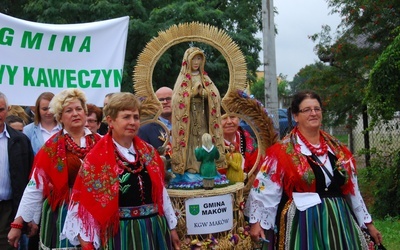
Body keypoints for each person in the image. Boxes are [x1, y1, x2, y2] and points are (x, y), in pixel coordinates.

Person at [245, 90, 383, 249]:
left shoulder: (338, 149)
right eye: (307, 110)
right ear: (296, 116)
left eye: (317, 109)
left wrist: (368, 223)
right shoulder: (282, 152)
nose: (313, 113)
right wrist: (258, 222)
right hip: (304, 221)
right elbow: (265, 189)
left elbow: (353, 190)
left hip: (339, 220)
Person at [61, 92, 180, 250]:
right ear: (110, 120)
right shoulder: (97, 158)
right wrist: (87, 243)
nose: (132, 122)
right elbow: (86, 204)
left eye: (136, 117)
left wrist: (171, 228)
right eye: (126, 117)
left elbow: (161, 193)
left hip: (153, 230)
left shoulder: (149, 152)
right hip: (120, 234)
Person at [7, 89, 101, 249]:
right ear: (60, 117)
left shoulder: (102, 143)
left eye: (79, 109)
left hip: (96, 212)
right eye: (69, 110)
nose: (75, 114)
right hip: (62, 216)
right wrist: (18, 223)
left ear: (85, 113)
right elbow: (35, 186)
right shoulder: (51, 148)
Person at [171, 47, 225, 175]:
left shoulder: (205, 78)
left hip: (202, 115)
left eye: (199, 58)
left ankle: (206, 163)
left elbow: (215, 95)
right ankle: (190, 164)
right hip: (188, 116)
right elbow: (176, 98)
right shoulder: (183, 79)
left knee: (204, 137)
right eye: (194, 58)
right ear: (187, 60)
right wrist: (191, 93)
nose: (196, 62)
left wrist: (204, 94)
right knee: (190, 140)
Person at [0, 92, 34, 250]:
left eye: (0, 109)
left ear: (7, 110)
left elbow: (29, 179)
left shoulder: (20, 140)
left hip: (9, 210)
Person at [220, 113, 259, 181]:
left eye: (232, 117)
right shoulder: (211, 143)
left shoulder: (248, 139)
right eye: (224, 118)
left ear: (239, 119)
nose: (229, 122)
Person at [138, 87, 173, 151]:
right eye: (161, 100)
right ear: (155, 103)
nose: (165, 102)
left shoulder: (187, 125)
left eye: (169, 98)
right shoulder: (145, 130)